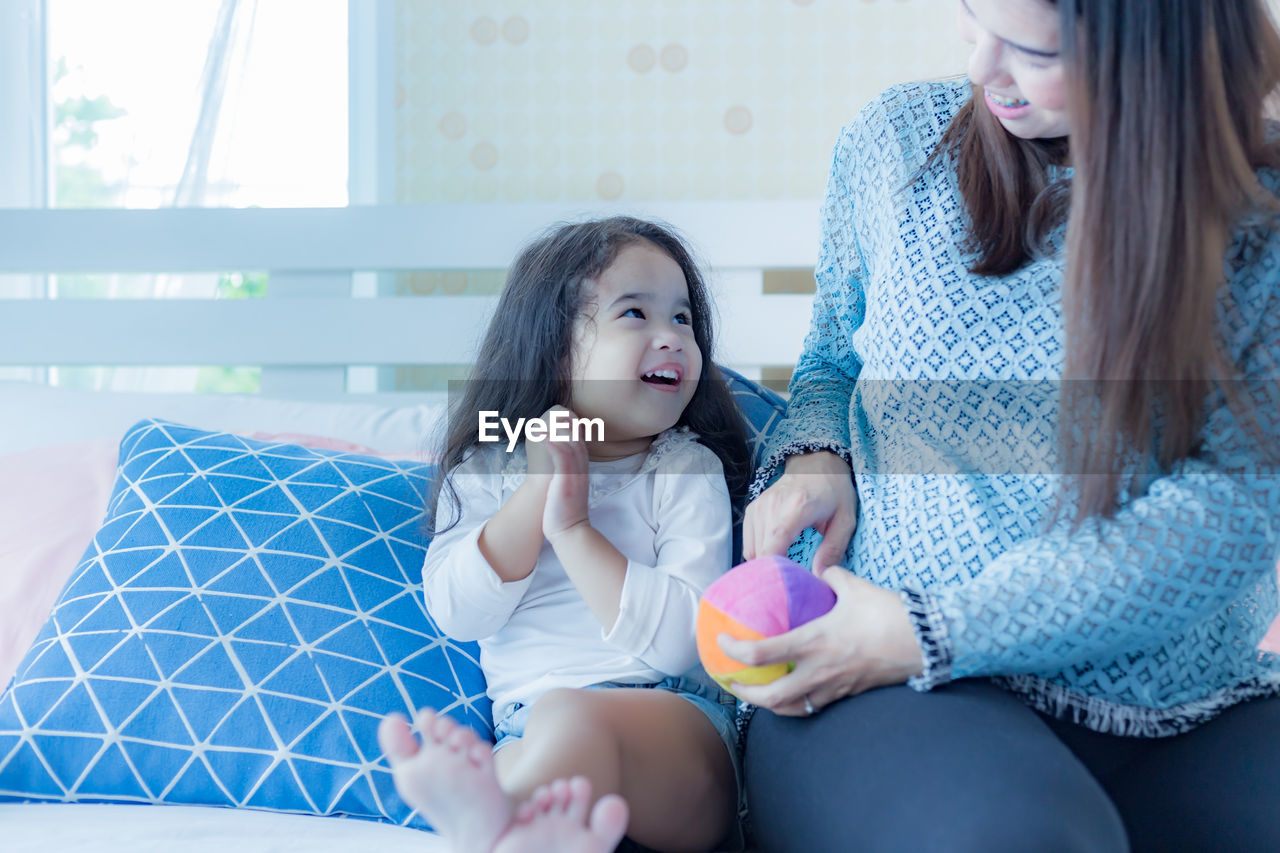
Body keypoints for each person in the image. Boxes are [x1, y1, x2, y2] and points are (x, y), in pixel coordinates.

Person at [724, 0, 1280, 850]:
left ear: (1156, 54)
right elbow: (830, 362)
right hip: (889, 683)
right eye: (973, 15)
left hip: (1188, 700)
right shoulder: (894, 143)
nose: (983, 68)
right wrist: (814, 454)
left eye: (1031, 49)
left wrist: (939, 628)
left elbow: (1236, 512)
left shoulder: (1260, 220)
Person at [377, 216, 751, 853]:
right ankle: (517, 825)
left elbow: (686, 643)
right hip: (526, 734)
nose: (672, 338)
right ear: (554, 351)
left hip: (677, 737)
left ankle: (509, 821)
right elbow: (458, 612)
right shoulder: (489, 470)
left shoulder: (684, 467)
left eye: (683, 319)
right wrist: (535, 495)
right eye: (635, 314)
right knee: (528, 746)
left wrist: (574, 531)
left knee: (567, 715)